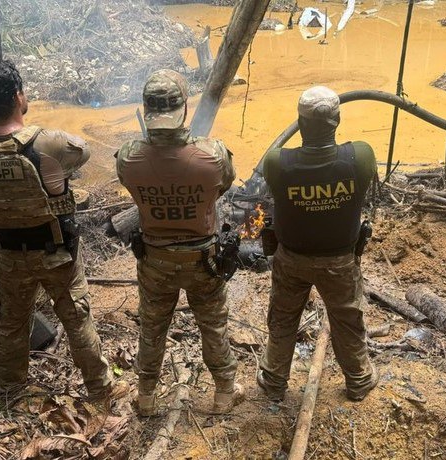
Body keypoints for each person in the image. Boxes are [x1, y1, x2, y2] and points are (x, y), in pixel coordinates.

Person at [0, 58, 124, 402]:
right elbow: (85, 152)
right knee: (77, 318)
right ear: (19, 96)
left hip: (7, 254)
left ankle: (9, 389)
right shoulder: (48, 142)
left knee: (11, 323)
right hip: (55, 253)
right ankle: (101, 388)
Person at [116, 69, 243, 416]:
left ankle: (145, 397)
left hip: (155, 260)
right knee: (213, 323)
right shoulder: (212, 156)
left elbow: (132, 183)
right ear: (184, 109)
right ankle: (224, 393)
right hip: (204, 260)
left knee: (153, 327)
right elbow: (224, 185)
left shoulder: (128, 158)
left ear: (146, 110)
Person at [258, 86, 378, 402]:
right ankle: (359, 379)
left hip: (291, 259)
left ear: (300, 122)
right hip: (340, 261)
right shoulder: (361, 157)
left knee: (282, 319)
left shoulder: (277, 162)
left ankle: (274, 383)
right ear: (337, 120)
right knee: (348, 320)